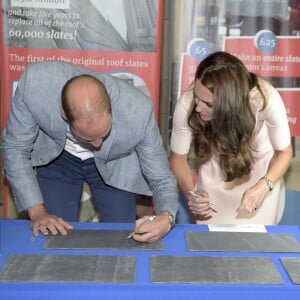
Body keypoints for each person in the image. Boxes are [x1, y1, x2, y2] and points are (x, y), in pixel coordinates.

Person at [2, 61, 179, 242]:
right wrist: (37, 211)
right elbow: (15, 149)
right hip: (59, 160)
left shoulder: (138, 112)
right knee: (52, 234)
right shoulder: (36, 83)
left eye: (104, 134)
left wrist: (167, 217)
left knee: (122, 236)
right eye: (89, 138)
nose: (97, 144)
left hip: (114, 162)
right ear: (64, 114)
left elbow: (162, 178)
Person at [170, 51, 293, 225]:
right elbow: (177, 157)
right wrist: (192, 194)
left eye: (209, 104)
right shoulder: (188, 102)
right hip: (215, 176)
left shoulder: (265, 99)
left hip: (259, 174)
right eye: (197, 97)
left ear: (229, 103)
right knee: (209, 244)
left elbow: (285, 153)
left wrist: (264, 185)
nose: (197, 108)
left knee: (255, 246)